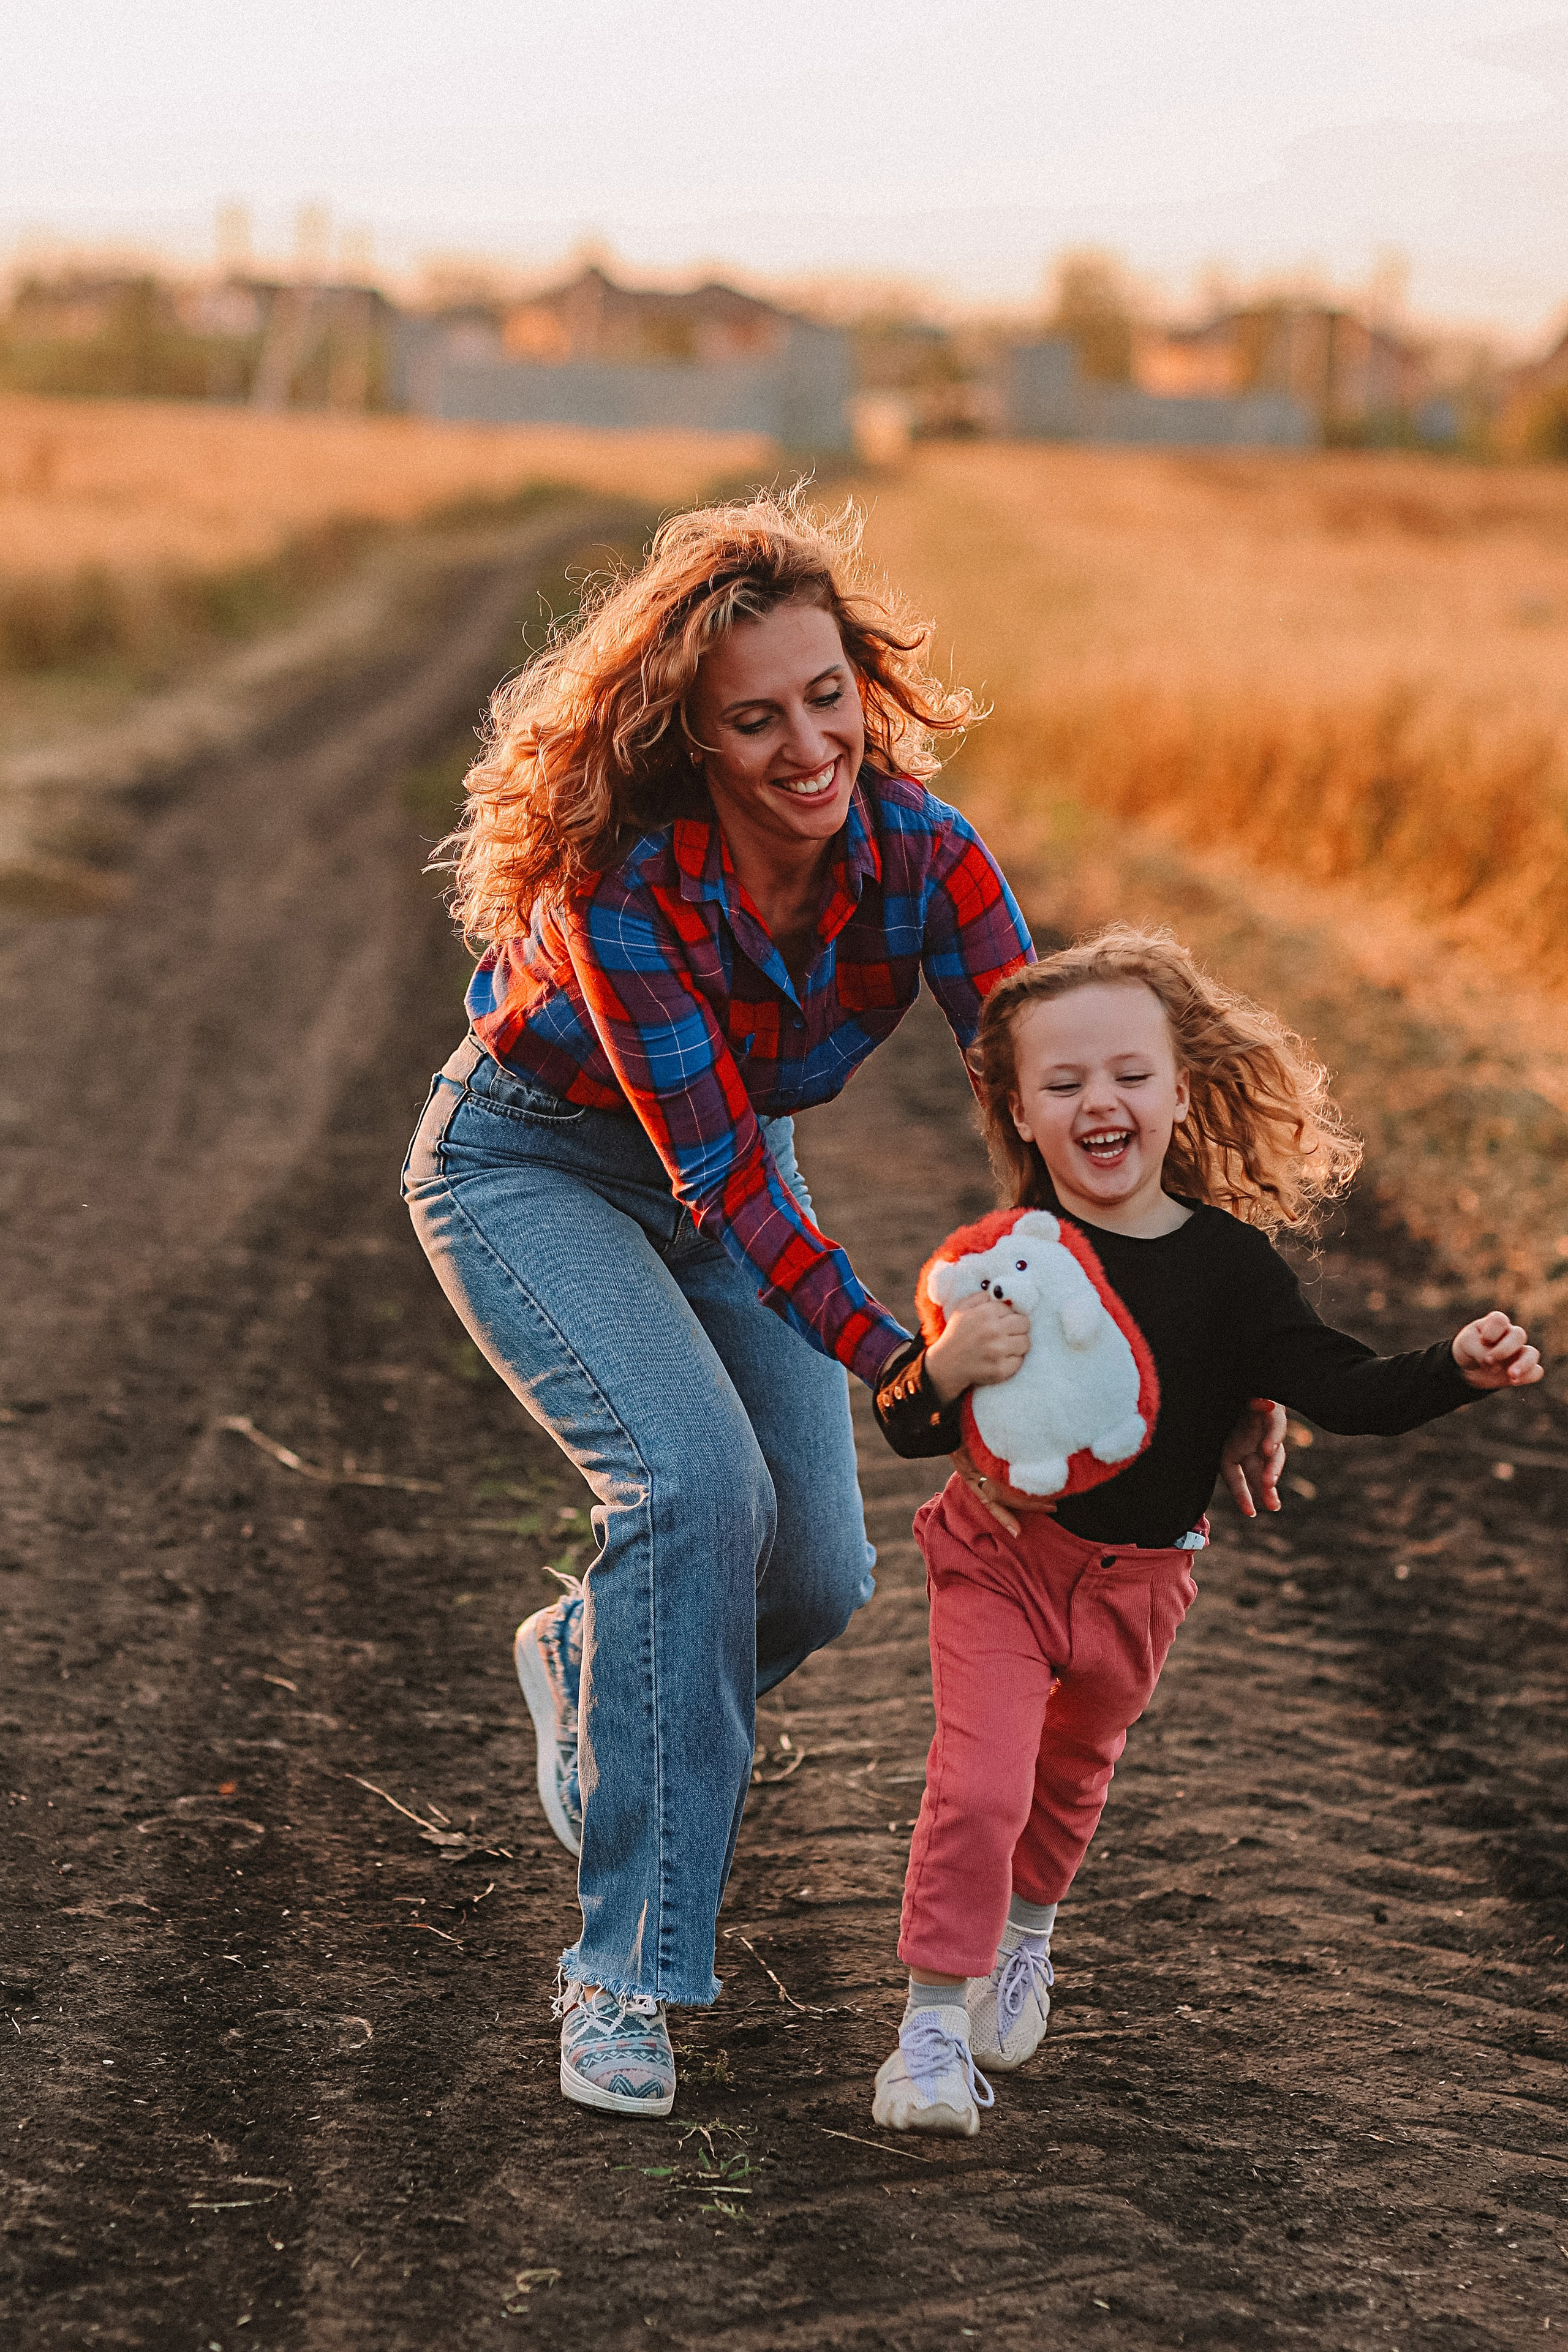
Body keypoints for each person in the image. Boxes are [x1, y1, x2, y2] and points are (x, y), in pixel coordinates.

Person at [401, 492, 1283, 2121]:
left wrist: (1208, 1345)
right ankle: (624, 1973)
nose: (810, 747)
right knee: (696, 1496)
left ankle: (591, 1660)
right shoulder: (620, 887)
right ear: (692, 737)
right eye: (757, 720)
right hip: (534, 1165)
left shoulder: (925, 854)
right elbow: (723, 1185)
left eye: (829, 698)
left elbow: (1058, 1101)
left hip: (733, 1167)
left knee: (814, 1570)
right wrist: (909, 1368)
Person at [870, 926, 1542, 2136]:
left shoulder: (1231, 1271)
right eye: (1063, 1083)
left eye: (1129, 1074)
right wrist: (945, 1367)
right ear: (1019, 1111)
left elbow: (1341, 1390)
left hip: (1138, 1584)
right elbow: (908, 1424)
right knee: (979, 1788)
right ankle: (926, 2032)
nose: (1099, 1102)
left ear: (1180, 1093)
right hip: (997, 1559)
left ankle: (1025, 1938)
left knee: (1069, 1777)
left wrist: (1454, 1365)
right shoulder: (1012, 1260)